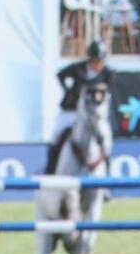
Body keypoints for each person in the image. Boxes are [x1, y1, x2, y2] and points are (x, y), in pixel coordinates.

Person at [46, 40, 114, 175]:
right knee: (55, 136)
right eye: (96, 61)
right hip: (72, 111)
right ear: (90, 59)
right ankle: (51, 170)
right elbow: (60, 75)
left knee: (106, 139)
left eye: (101, 61)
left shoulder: (107, 73)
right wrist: (69, 91)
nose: (99, 64)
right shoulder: (78, 69)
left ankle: (107, 176)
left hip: (94, 115)